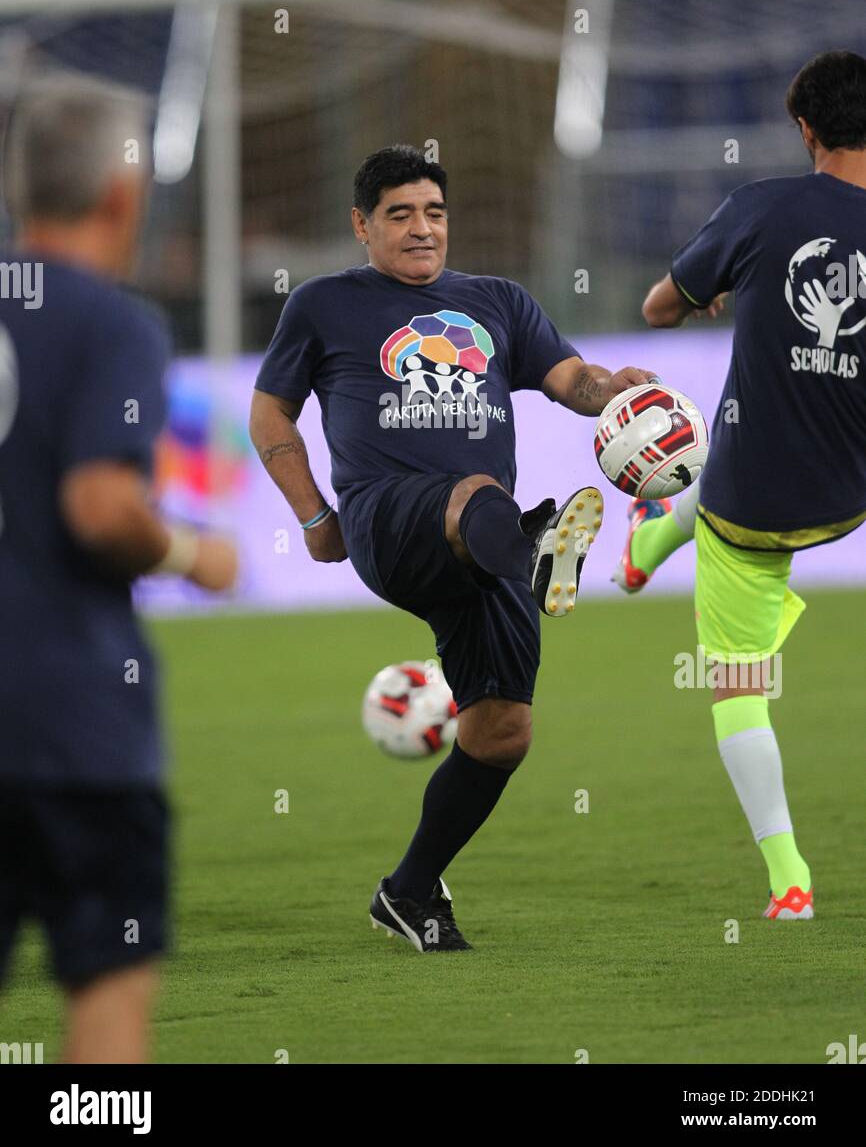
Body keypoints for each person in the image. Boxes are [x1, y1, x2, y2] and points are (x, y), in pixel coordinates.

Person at [250, 143, 654, 951]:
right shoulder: (324, 304)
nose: (422, 228)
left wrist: (615, 391)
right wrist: (313, 517)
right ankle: (539, 545)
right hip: (390, 520)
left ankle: (407, 892)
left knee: (502, 731)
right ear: (361, 225)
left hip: (485, 546)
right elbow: (270, 415)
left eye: (433, 212)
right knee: (474, 493)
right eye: (400, 214)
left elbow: (570, 380)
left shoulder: (497, 300)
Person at [0, 76, 236, 1061]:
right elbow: (99, 505)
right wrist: (192, 552)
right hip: (73, 730)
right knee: (103, 1015)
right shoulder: (110, 324)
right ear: (121, 196)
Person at [616, 50, 866, 920]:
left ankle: (789, 875)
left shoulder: (760, 207)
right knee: (724, 462)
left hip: (754, 504)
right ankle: (649, 544)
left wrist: (705, 288)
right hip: (851, 495)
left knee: (739, 684)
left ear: (806, 130)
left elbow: (657, 307)